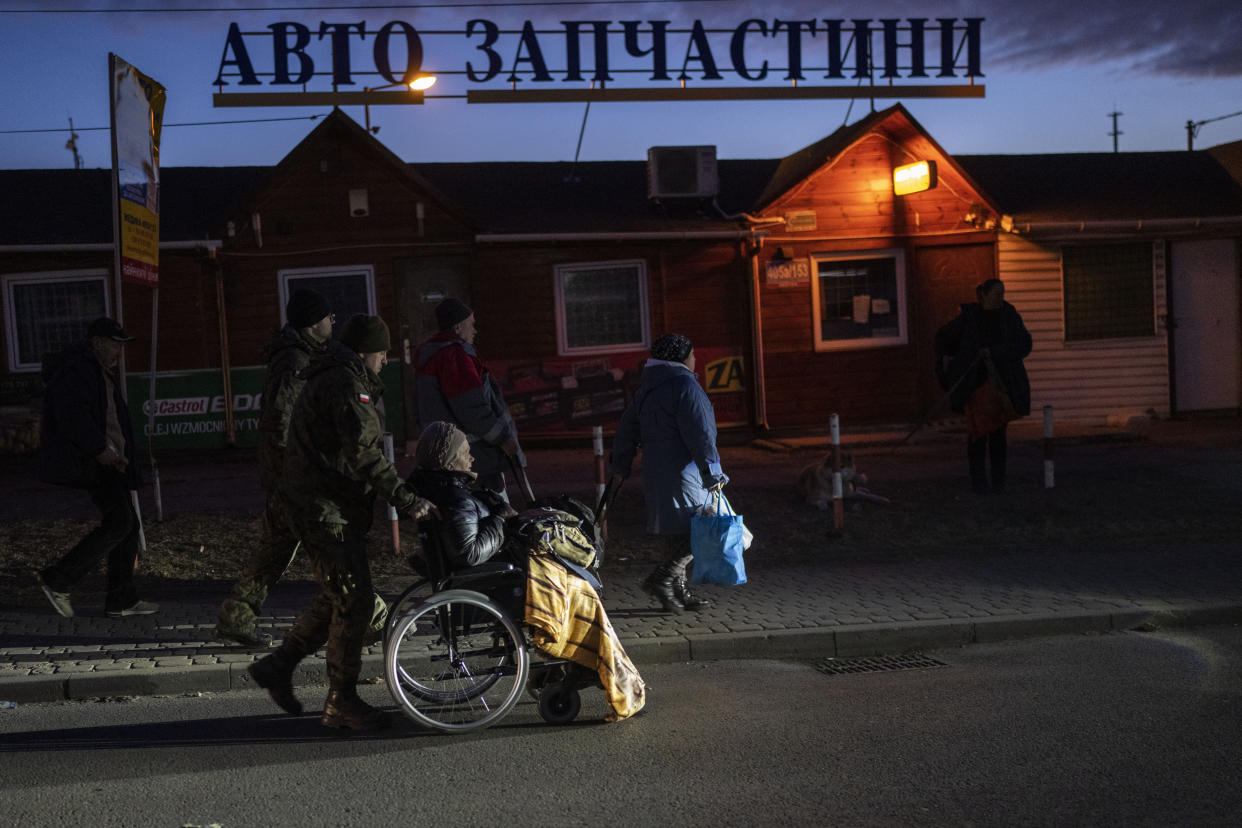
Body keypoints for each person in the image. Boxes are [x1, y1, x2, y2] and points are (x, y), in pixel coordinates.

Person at [247, 314, 436, 731]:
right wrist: (408, 500)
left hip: (317, 504)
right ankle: (341, 702)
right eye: (383, 353)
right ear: (367, 352)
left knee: (341, 592)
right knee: (356, 600)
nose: (386, 361)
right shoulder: (348, 385)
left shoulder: (336, 376)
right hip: (322, 509)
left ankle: (280, 665)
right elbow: (364, 455)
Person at [215, 288, 333, 647]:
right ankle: (370, 616)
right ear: (314, 323)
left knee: (275, 549)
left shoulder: (297, 357)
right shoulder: (295, 362)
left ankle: (236, 618)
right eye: (328, 317)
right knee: (330, 548)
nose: (332, 323)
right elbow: (283, 423)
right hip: (293, 478)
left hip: (287, 476)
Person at [35, 317, 158, 618]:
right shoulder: (80, 370)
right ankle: (58, 578)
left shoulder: (96, 370)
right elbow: (74, 416)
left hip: (112, 460)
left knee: (127, 526)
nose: (119, 351)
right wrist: (100, 449)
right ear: (98, 342)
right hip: (99, 461)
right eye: (115, 344)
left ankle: (122, 599)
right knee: (120, 523)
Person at [609, 333, 725, 614]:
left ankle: (677, 592)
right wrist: (713, 473)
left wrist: (621, 467)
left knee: (678, 532)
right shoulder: (685, 386)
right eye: (693, 355)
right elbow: (701, 435)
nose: (695, 360)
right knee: (700, 531)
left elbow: (626, 430)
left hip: (657, 473)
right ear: (683, 358)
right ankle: (662, 579)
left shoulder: (646, 390)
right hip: (687, 474)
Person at [414, 298, 522, 499]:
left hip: (448, 455)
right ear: (457, 327)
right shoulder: (455, 357)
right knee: (494, 514)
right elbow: (472, 408)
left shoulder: (430, 356)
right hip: (476, 456)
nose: (475, 331)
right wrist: (502, 439)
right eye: (471, 325)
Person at [935, 278, 1033, 494]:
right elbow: (943, 338)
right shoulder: (970, 317)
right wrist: (952, 364)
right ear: (984, 295)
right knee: (977, 435)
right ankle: (979, 484)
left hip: (1001, 384)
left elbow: (1024, 344)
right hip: (975, 384)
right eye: (997, 294)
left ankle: (998, 484)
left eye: (1002, 293)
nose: (1001, 298)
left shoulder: (1008, 316)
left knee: (998, 434)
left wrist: (997, 352)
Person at [406, 420, 515, 569]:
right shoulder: (455, 499)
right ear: (449, 464)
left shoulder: (434, 488)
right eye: (466, 453)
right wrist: (499, 520)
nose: (472, 458)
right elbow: (469, 554)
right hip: (487, 577)